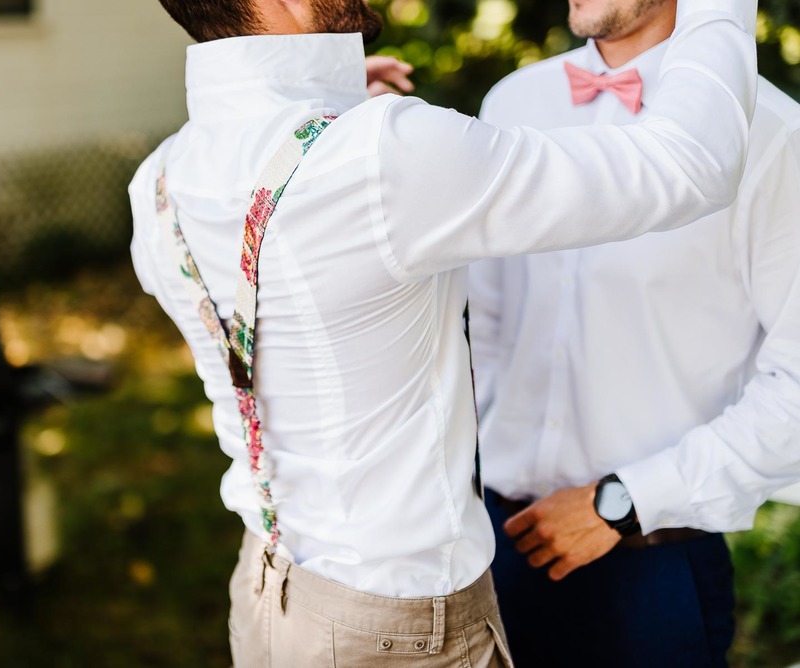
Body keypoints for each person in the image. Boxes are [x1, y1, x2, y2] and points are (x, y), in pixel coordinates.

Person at [130, 0, 757, 664]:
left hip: (269, 597)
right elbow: (691, 162)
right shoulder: (383, 156)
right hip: (401, 626)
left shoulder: (160, 183)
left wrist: (333, 98)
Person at [468, 0, 800, 665]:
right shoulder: (513, 103)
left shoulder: (771, 133)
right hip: (493, 545)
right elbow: (485, 325)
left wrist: (622, 502)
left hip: (654, 568)